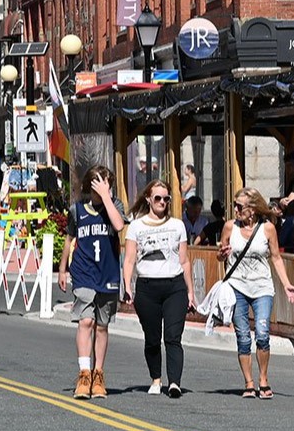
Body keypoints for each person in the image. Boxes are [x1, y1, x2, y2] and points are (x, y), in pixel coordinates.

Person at [218, 187, 294, 400]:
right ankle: (249, 382)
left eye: (239, 206)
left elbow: (276, 257)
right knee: (243, 337)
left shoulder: (268, 228)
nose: (235, 210)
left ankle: (263, 379)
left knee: (262, 333)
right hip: (237, 287)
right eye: (234, 206)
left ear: (252, 209)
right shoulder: (229, 227)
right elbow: (221, 255)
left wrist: (286, 284)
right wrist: (221, 254)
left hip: (262, 287)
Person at [57, 166, 126, 399]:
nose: (102, 186)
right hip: (84, 272)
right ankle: (84, 372)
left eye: (106, 183)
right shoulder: (77, 211)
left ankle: (98, 373)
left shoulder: (114, 206)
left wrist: (106, 197)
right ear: (89, 185)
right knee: (85, 320)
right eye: (98, 182)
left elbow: (118, 226)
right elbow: (69, 238)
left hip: (107, 274)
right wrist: (63, 268)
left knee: (102, 325)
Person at [123, 180, 194, 398]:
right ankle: (156, 378)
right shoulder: (136, 226)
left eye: (166, 199)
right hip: (147, 287)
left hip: (174, 286)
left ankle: (174, 383)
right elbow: (129, 260)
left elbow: (184, 261)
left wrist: (190, 292)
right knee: (152, 338)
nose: (162, 202)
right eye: (158, 198)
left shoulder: (177, 225)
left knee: (173, 336)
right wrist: (127, 287)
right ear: (148, 199)